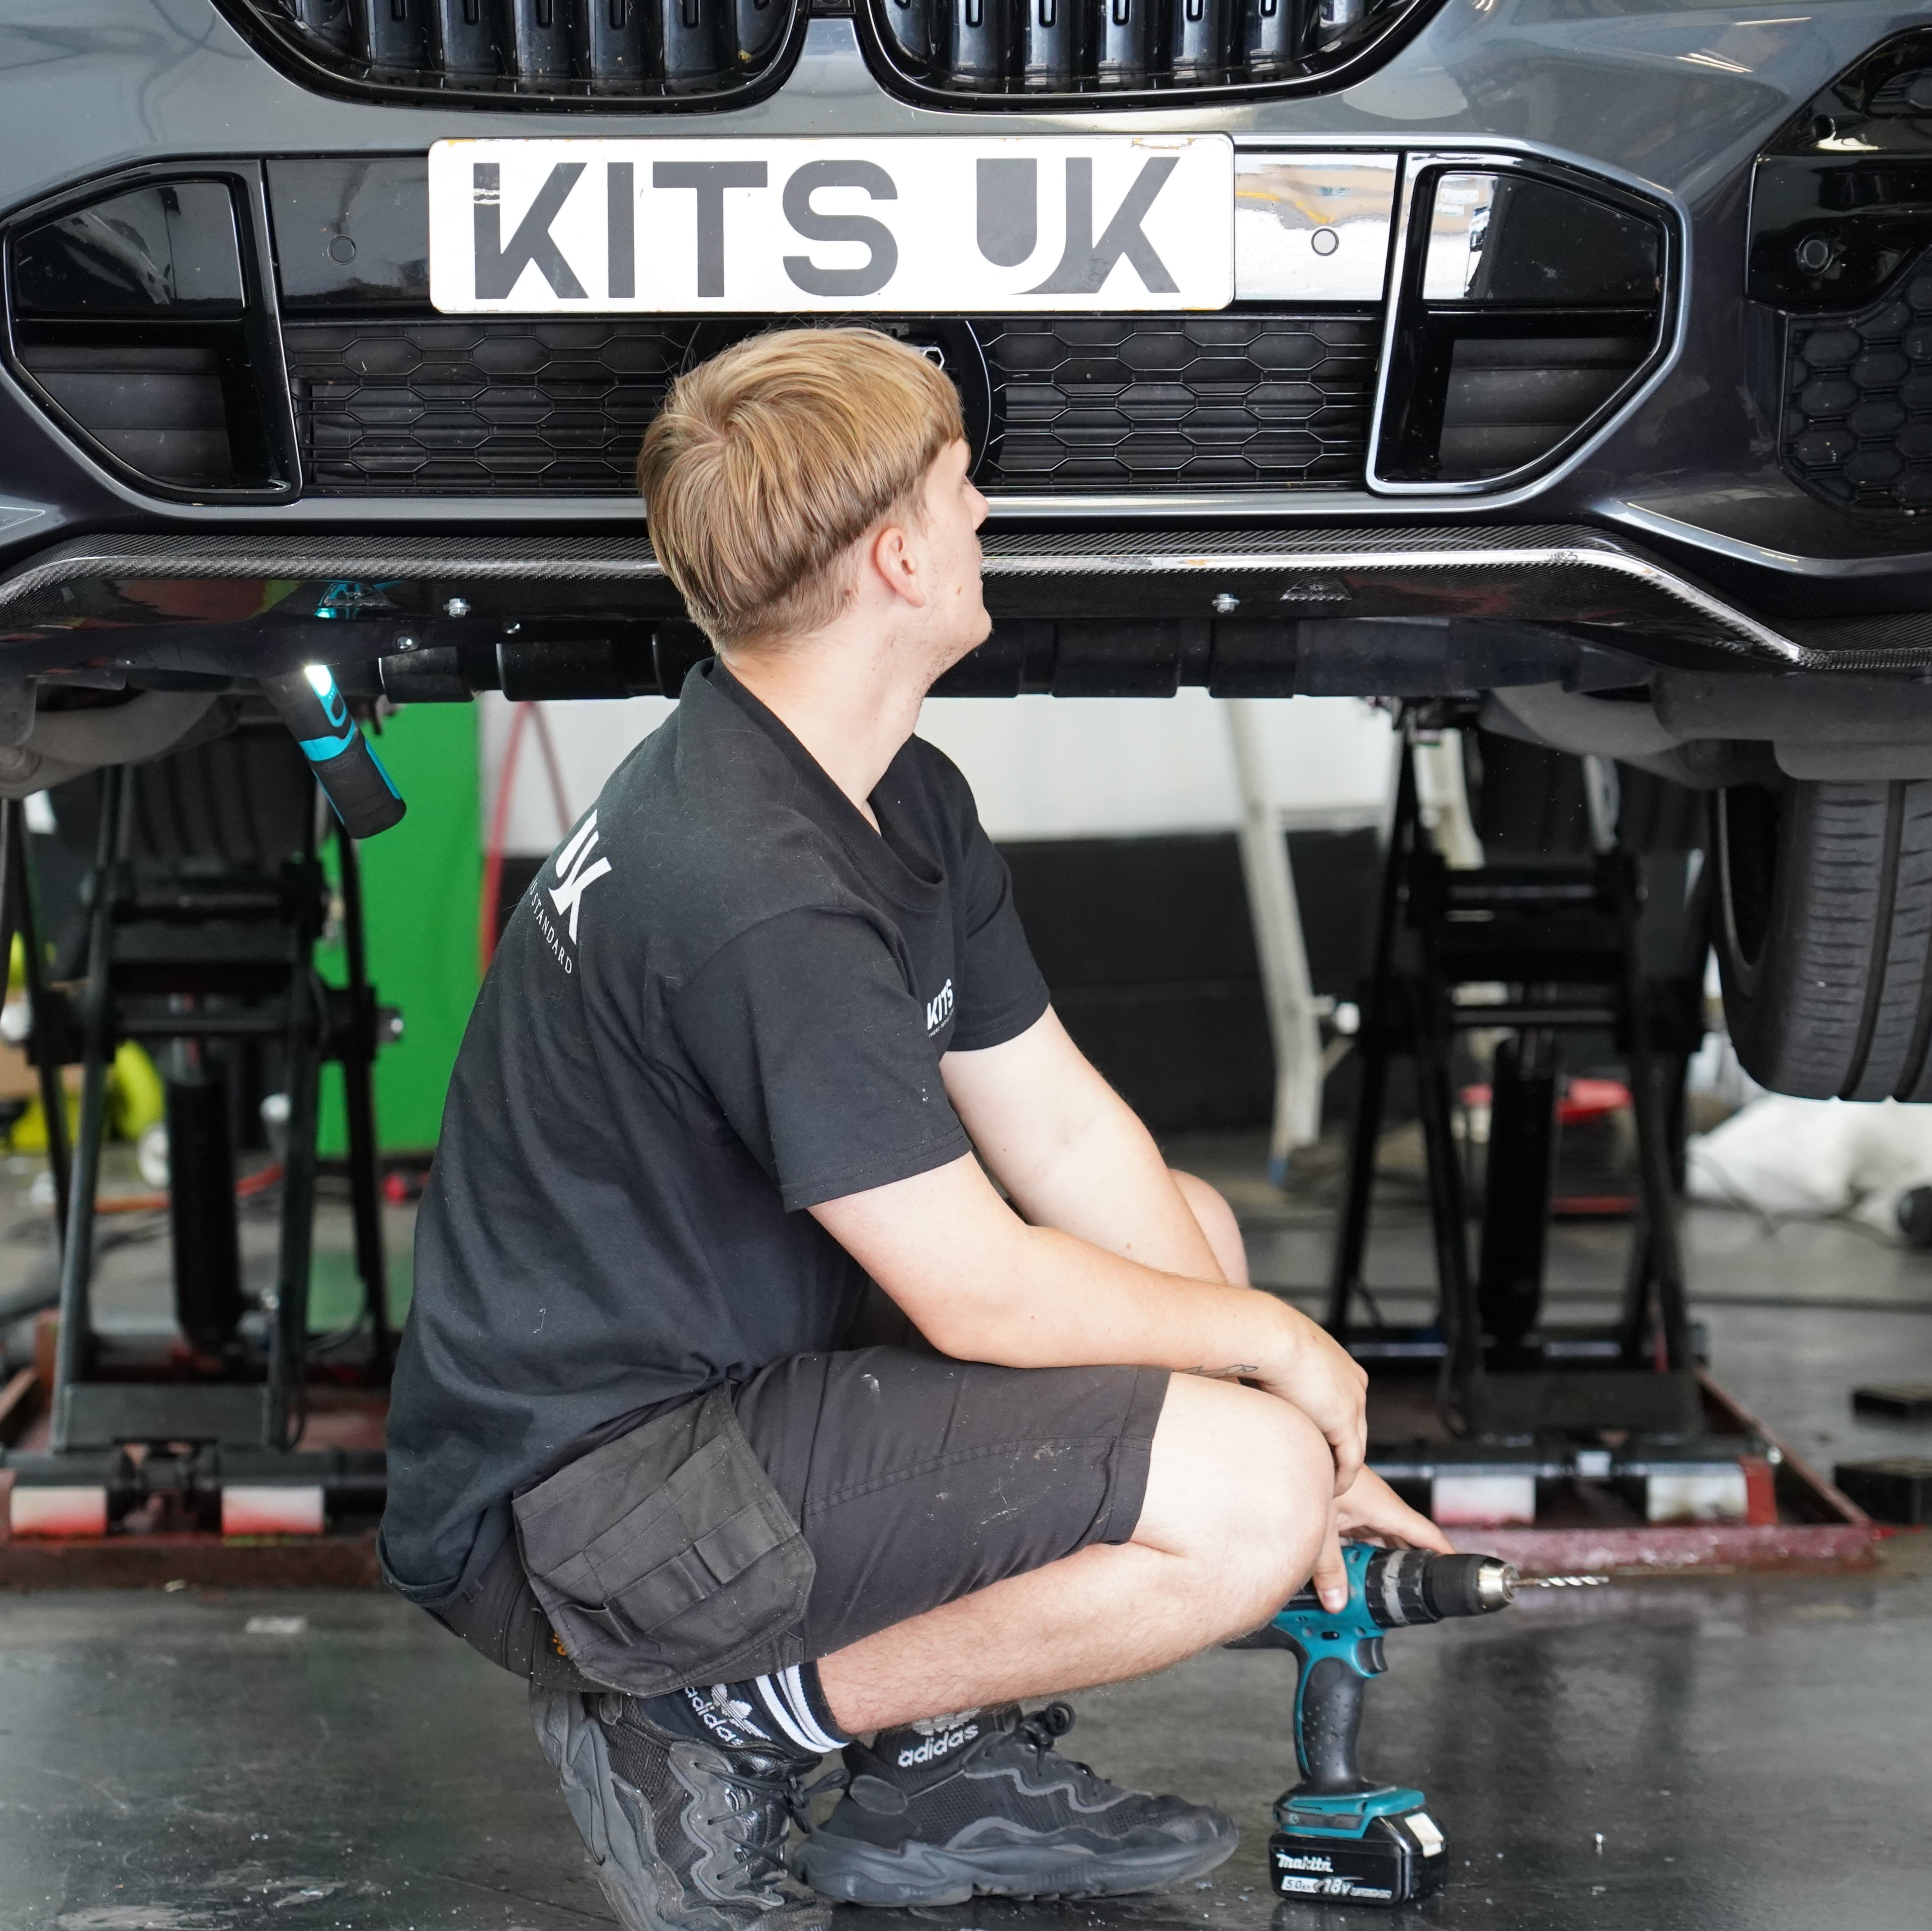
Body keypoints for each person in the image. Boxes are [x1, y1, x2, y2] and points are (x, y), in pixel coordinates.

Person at [378, 326, 1450, 1931]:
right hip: (595, 1513)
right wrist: (1289, 1379)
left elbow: (1069, 1138)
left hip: (711, 1411)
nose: (985, 518)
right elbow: (978, 1295)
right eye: (966, 491)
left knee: (1187, 1242)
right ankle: (714, 1725)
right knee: (1240, 1502)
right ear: (896, 555)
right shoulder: (755, 886)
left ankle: (930, 1766)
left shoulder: (882, 792)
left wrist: (1286, 1396)